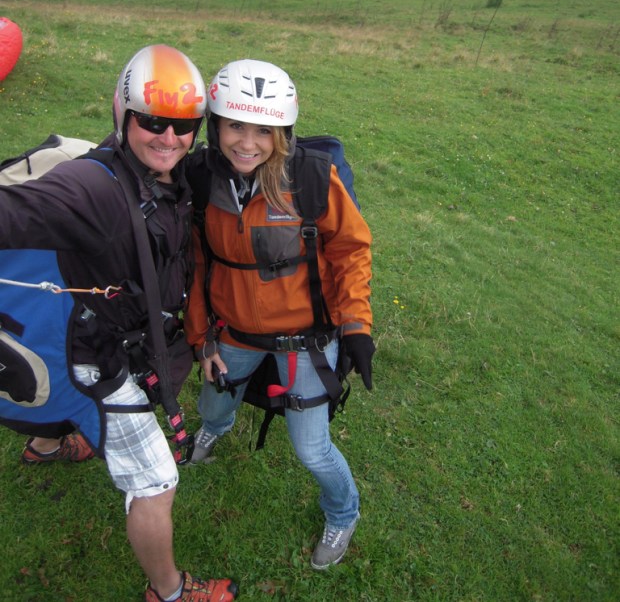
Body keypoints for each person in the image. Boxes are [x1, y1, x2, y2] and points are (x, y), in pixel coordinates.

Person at [0, 45, 238, 602]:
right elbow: (16, 214)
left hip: (97, 331)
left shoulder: (160, 174)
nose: (170, 139)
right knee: (156, 482)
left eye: (184, 126)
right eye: (154, 122)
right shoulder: (93, 190)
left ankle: (47, 448)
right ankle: (170, 592)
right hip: (100, 358)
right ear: (123, 114)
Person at [184, 59, 374, 570]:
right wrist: (201, 337)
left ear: (282, 133)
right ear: (214, 126)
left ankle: (344, 511)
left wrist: (356, 326)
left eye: (264, 131)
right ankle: (212, 434)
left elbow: (350, 250)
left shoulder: (311, 181)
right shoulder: (200, 181)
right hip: (233, 335)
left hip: (305, 340)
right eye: (235, 126)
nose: (248, 143)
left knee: (312, 450)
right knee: (214, 407)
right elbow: (199, 262)